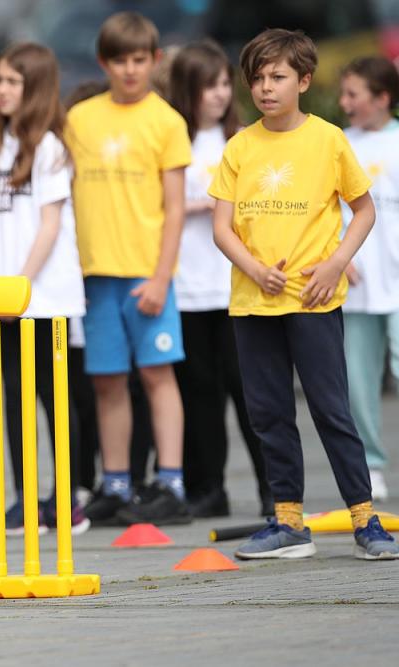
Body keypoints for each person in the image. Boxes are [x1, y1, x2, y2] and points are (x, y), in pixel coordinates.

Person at [210, 29, 398, 560]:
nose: (266, 88)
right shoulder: (240, 146)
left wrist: (336, 263)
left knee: (331, 408)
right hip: (254, 302)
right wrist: (254, 269)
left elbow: (364, 210)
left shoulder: (329, 139)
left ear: (304, 80)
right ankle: (288, 522)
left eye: (278, 77)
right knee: (268, 412)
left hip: (315, 301)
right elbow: (222, 228)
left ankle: (366, 520)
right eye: (258, 79)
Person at [65, 11, 192, 526]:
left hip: (147, 273)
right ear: (104, 62)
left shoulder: (166, 121)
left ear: (155, 61)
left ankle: (171, 481)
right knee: (107, 380)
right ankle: (115, 482)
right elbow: (66, 197)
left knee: (158, 375)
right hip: (96, 277)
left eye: (140, 60)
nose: (131, 70)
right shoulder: (80, 119)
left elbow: (177, 208)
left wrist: (162, 277)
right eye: (120, 60)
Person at [0, 42, 90, 535]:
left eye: (11, 82)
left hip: (45, 299)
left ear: (35, 88)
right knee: (14, 401)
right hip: (4, 302)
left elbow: (49, 226)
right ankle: (26, 501)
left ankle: (69, 498)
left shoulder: (51, 149)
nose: (1, 90)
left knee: (55, 400)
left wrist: (19, 283)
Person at [167, 41, 272, 518]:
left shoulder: (243, 140)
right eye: (209, 86)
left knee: (248, 392)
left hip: (235, 286)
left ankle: (274, 488)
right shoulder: (174, 141)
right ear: (187, 90)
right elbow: (158, 206)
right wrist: (196, 207)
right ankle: (208, 488)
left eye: (225, 84)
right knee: (198, 393)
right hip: (186, 288)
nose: (219, 94)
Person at [338, 56, 399, 503]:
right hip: (356, 279)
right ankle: (371, 466)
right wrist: (336, 255)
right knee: (357, 380)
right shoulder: (339, 143)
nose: (344, 103)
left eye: (353, 95)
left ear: (382, 98)